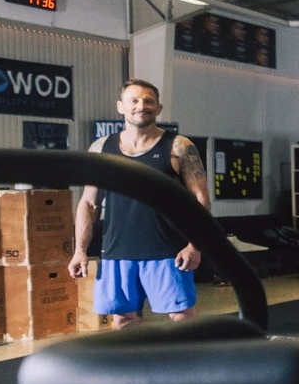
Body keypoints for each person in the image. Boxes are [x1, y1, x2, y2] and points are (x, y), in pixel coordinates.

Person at [69, 79, 208, 327]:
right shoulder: (101, 148)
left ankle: (189, 356)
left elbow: (201, 199)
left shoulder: (178, 147)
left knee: (182, 318)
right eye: (134, 100)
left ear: (158, 108)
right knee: (123, 319)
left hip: (167, 250)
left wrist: (194, 245)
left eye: (148, 101)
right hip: (117, 251)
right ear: (120, 107)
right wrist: (80, 250)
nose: (141, 106)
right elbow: (89, 203)